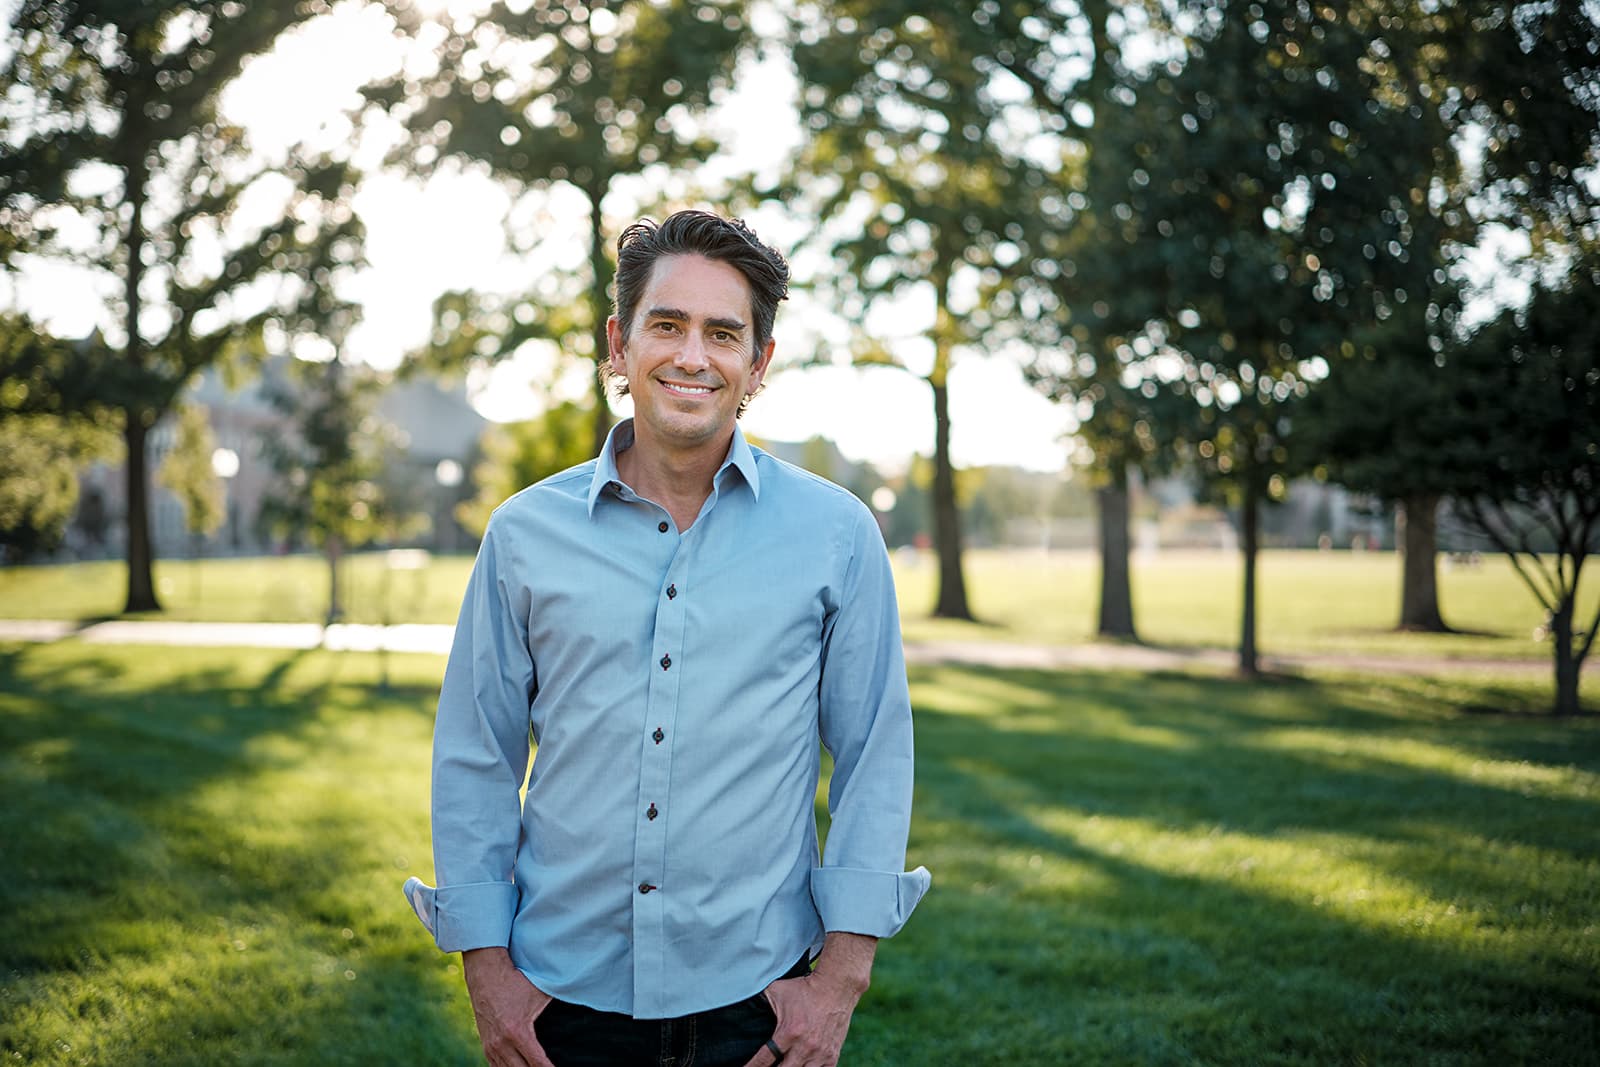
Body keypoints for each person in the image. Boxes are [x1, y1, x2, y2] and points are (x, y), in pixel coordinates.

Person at [404, 209, 930, 1067]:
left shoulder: (837, 534)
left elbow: (875, 753)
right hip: (557, 1007)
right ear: (619, 342)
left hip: (754, 1009)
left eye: (724, 333)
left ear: (757, 363)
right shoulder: (522, 533)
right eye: (668, 325)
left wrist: (839, 980)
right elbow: (477, 755)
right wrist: (486, 971)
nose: (693, 356)